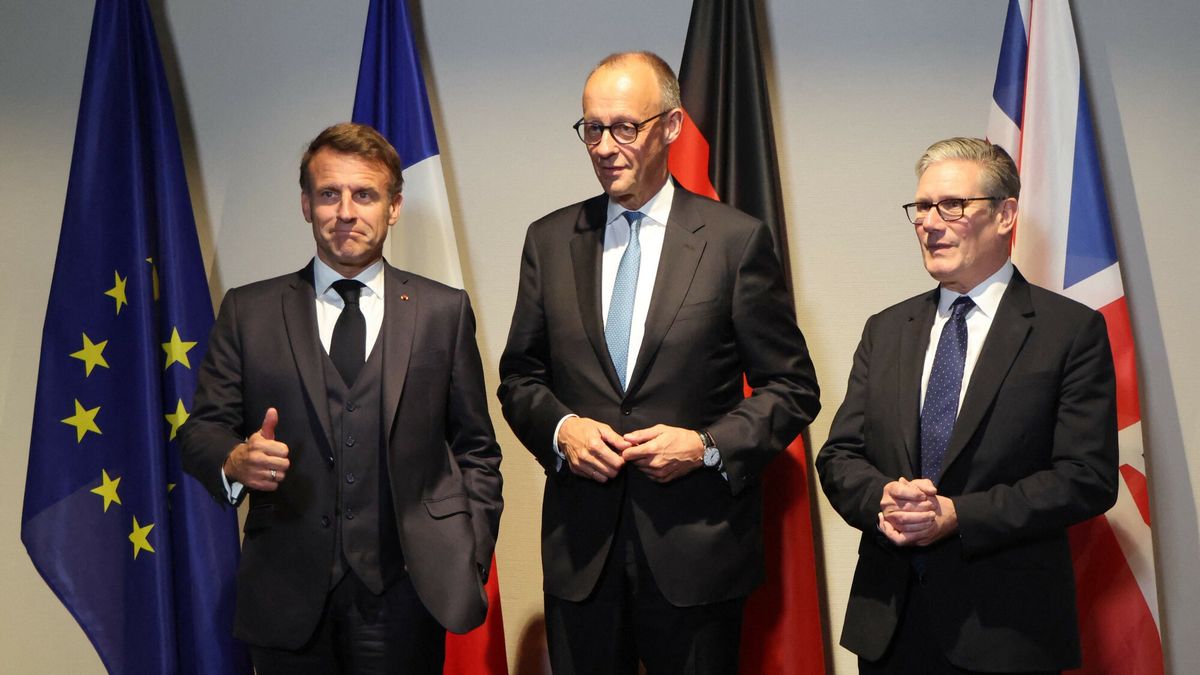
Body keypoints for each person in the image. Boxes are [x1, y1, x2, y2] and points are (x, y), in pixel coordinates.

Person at [497, 51, 820, 675]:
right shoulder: (548, 240)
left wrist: (705, 446)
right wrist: (563, 432)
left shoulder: (734, 241)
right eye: (592, 128)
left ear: (671, 127)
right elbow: (520, 378)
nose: (605, 146)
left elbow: (792, 387)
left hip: (696, 554)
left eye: (625, 127)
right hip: (581, 555)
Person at [180, 122, 502, 674]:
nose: (346, 211)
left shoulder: (442, 312)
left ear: (394, 206)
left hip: (406, 596)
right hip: (286, 595)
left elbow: (476, 449)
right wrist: (234, 461)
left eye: (365, 194)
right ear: (306, 205)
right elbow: (200, 431)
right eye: (329, 193)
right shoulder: (248, 311)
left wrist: (464, 557)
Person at [816, 137, 1119, 674]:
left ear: (1005, 215)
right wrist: (882, 498)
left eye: (952, 205)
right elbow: (840, 456)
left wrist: (960, 516)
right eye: (922, 208)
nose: (931, 223)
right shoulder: (886, 329)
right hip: (890, 627)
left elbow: (1085, 477)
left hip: (1006, 630)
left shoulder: (1069, 332)